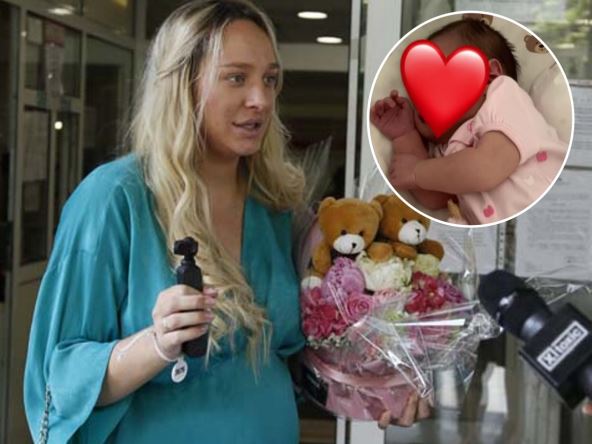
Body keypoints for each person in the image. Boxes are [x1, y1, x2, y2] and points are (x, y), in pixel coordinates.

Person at [23, 2, 426, 443]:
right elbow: (60, 382)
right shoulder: (114, 198)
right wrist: (157, 343)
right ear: (183, 85)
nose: (261, 100)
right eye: (236, 78)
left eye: (269, 80)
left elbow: (297, 358)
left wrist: (383, 382)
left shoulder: (276, 206)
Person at [371, 19, 568, 225]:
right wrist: (404, 135)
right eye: (418, 85)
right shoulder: (445, 152)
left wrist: (417, 171)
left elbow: (486, 167)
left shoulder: (503, 98)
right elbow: (435, 197)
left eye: (437, 80)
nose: (423, 97)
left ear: (490, 76)